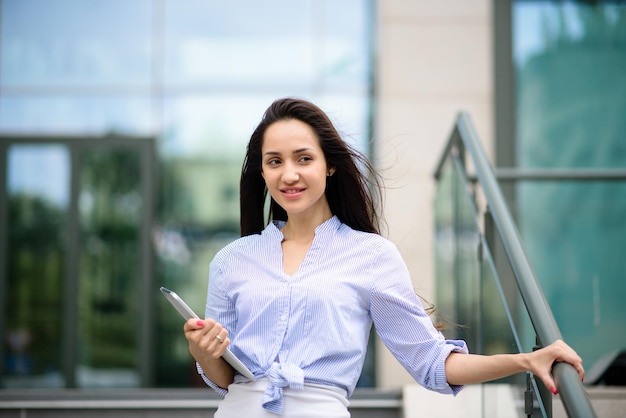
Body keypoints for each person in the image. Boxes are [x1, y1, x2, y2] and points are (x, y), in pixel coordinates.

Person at [183, 97, 584, 417]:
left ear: (331, 165)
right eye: (275, 162)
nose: (289, 174)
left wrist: (525, 360)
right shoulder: (231, 260)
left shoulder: (372, 256)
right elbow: (223, 377)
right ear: (263, 173)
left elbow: (431, 362)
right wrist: (203, 352)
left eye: (304, 158)